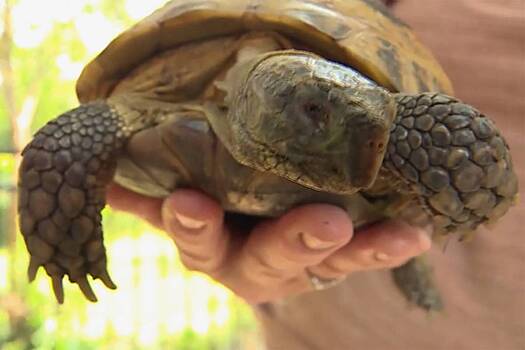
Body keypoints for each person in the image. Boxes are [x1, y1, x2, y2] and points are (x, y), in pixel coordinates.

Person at [107, 0, 525, 348]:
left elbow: (397, 124)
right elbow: (91, 125)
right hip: (316, 325)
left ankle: (410, 258)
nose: (366, 132)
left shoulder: (377, 121)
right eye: (313, 114)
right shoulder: (168, 77)